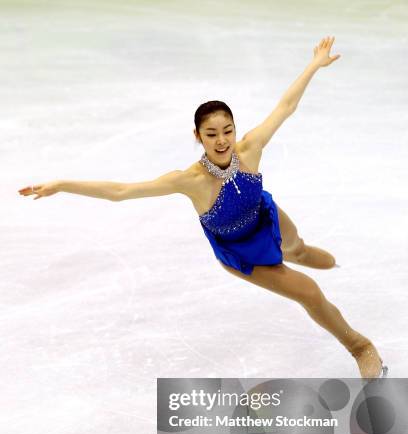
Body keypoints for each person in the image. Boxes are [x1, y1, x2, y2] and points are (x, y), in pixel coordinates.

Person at [18, 36, 388, 379]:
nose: (222, 140)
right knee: (308, 292)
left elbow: (285, 107)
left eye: (227, 130)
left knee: (301, 250)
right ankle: (360, 347)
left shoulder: (249, 149)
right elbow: (121, 190)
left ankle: (327, 261)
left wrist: (313, 64)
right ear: (198, 136)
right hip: (241, 252)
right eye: (211, 134)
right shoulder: (189, 180)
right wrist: (62, 185)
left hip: (264, 216)